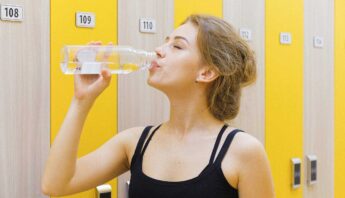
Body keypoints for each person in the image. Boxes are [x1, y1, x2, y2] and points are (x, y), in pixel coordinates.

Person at [42, 14, 275, 198]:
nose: (158, 51)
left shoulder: (243, 151)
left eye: (177, 46)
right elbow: (56, 184)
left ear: (207, 72)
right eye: (165, 42)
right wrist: (82, 100)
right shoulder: (135, 143)